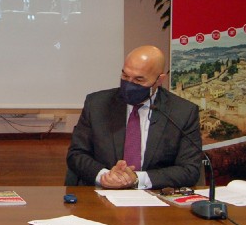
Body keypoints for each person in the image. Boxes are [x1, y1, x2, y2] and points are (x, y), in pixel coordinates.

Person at [66, 45, 201, 189]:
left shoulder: (183, 112)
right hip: (100, 193)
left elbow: (189, 169)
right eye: (125, 76)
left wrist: (137, 179)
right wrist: (105, 176)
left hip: (154, 195)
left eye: (139, 79)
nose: (129, 84)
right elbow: (76, 154)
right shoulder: (96, 104)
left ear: (159, 80)